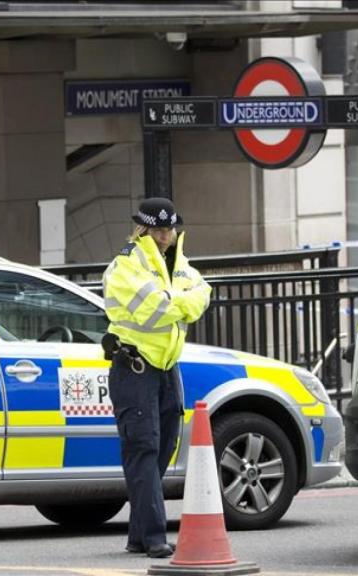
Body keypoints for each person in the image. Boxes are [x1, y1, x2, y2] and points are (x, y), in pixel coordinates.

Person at [101, 197, 211, 559]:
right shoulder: (126, 265)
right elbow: (159, 309)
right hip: (134, 366)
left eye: (170, 229)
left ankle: (138, 535)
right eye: (160, 230)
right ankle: (153, 536)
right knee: (143, 450)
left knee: (162, 449)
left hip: (166, 367)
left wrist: (177, 300)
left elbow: (204, 293)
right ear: (143, 229)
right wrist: (181, 301)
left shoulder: (178, 262)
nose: (166, 236)